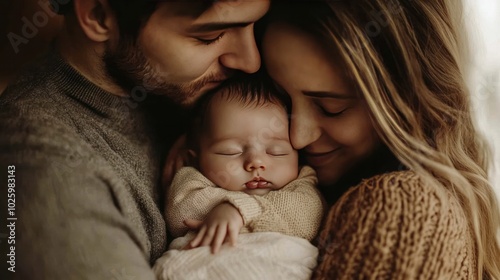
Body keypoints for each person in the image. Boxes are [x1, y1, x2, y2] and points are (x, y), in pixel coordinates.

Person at [0, 0, 269, 278]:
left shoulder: (188, 90)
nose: (251, 61)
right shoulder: (48, 179)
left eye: (255, 24)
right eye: (209, 37)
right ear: (98, 15)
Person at [261, 0, 500, 279]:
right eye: (278, 99)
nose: (297, 136)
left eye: (332, 108)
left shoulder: (402, 209)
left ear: (407, 102)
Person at [153, 77, 325, 280]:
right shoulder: (192, 177)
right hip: (199, 267)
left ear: (298, 155)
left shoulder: (302, 182)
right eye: (230, 152)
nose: (256, 162)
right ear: (195, 159)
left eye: (276, 151)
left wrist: (240, 209)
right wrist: (225, 208)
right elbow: (180, 215)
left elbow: (308, 217)